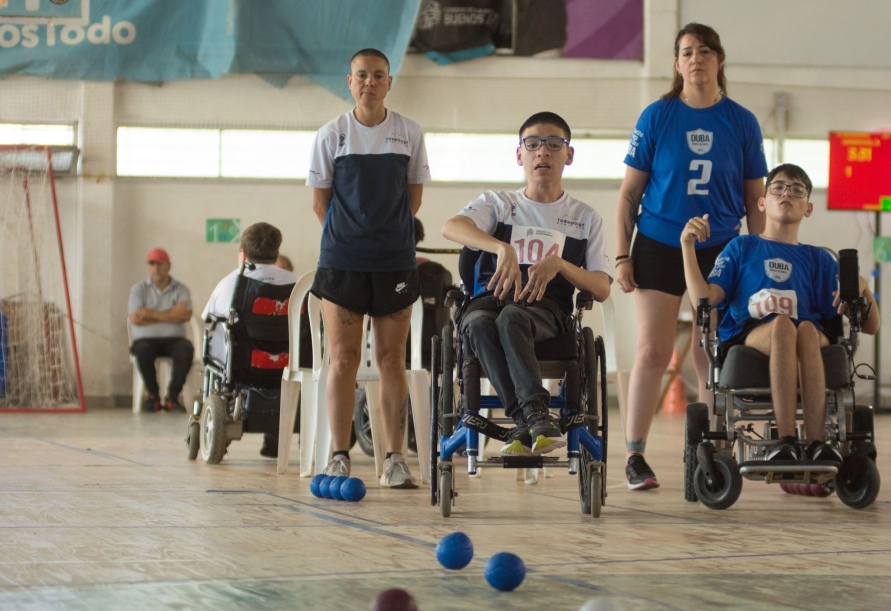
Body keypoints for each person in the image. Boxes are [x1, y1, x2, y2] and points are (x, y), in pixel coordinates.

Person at [614, 22, 768, 490]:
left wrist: (757, 261)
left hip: (720, 247)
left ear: (719, 60)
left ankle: (709, 448)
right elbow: (628, 195)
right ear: (677, 65)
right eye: (686, 52)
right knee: (652, 349)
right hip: (660, 242)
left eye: (704, 51)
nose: (696, 59)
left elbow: (755, 201)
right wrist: (622, 256)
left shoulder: (742, 122)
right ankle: (635, 454)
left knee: (713, 353)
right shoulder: (657, 116)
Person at [682, 164, 881, 461]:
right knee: (784, 325)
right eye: (778, 187)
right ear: (762, 202)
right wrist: (686, 246)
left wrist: (863, 288)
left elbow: (871, 326)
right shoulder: (742, 247)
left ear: (808, 208)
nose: (787, 192)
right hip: (751, 335)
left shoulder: (819, 259)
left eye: (797, 189)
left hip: (808, 335)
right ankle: (785, 439)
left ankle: (817, 444)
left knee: (804, 329)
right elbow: (704, 302)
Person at [441, 111, 612, 455]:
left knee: (512, 317)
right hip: (490, 300)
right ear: (520, 154)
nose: (542, 153)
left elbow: (601, 287)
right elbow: (450, 226)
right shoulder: (499, 204)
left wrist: (560, 264)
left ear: (569, 154)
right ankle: (532, 417)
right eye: (532, 145)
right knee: (475, 324)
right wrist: (498, 246)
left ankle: (527, 418)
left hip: (545, 311)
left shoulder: (585, 218)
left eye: (553, 145)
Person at [307, 47, 431, 488]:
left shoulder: (409, 132)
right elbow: (320, 203)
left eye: (378, 75)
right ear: (350, 80)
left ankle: (395, 458)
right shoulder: (331, 134)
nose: (370, 83)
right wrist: (351, 238)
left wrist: (386, 237)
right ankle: (339, 456)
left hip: (394, 263)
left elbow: (413, 198)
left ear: (389, 82)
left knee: (391, 359)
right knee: (341, 359)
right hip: (343, 264)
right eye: (362, 75)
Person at [201, 222, 298, 457]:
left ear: (242, 254)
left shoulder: (230, 283)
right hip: (288, 366)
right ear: (276, 253)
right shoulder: (298, 283)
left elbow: (207, 319)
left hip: (243, 366)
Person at [128, 248, 194, 413]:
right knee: (142, 350)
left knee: (185, 349)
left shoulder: (181, 289)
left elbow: (185, 315)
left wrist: (148, 313)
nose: (156, 268)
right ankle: (153, 397)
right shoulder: (139, 289)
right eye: (152, 264)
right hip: (145, 340)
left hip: (174, 340)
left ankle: (173, 397)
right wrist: (172, 314)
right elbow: (135, 318)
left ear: (168, 265)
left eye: (159, 264)